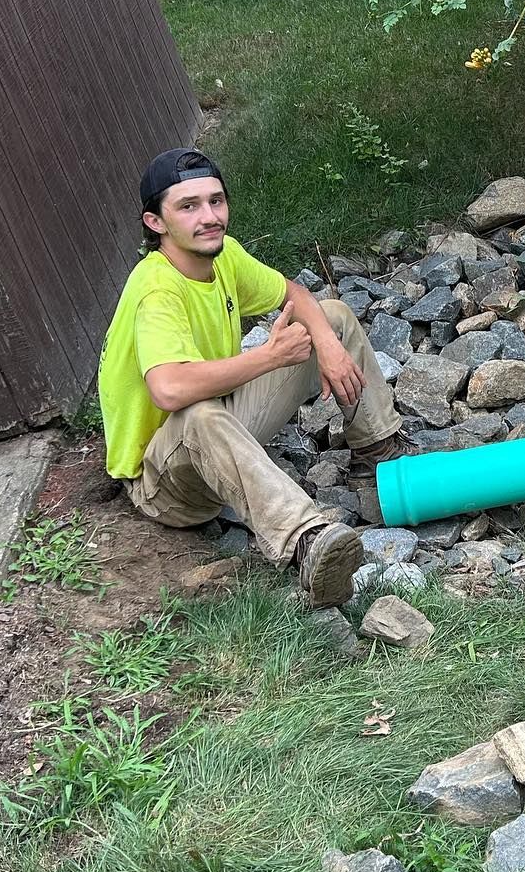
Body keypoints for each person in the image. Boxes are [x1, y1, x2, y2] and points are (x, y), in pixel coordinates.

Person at [98, 148, 401, 605]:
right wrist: (269, 357)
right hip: (165, 482)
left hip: (220, 427)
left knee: (331, 316)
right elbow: (169, 389)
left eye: (215, 201)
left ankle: (378, 449)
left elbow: (293, 293)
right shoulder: (155, 289)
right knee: (197, 412)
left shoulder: (223, 256)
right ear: (155, 223)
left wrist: (330, 347)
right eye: (189, 206)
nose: (209, 217)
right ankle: (306, 541)